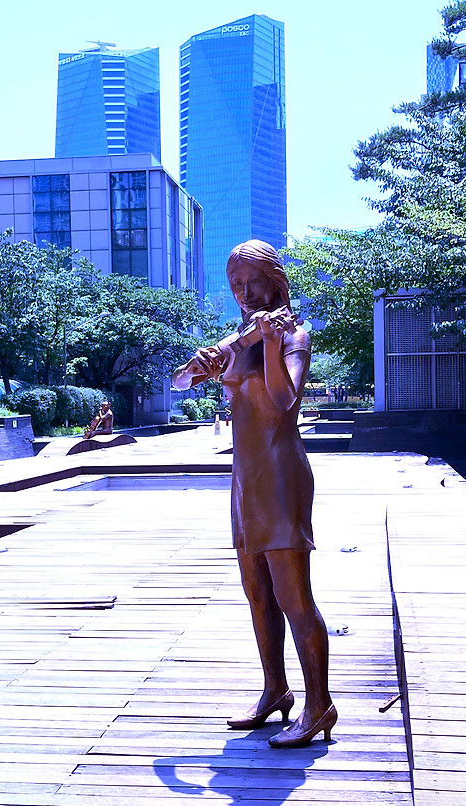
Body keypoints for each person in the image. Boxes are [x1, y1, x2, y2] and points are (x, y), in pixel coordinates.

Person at [171, 240, 335, 748]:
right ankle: (275, 690)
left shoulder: (293, 336)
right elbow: (178, 384)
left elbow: (285, 400)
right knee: (258, 594)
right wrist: (198, 364)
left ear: (275, 282)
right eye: (236, 284)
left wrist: (270, 341)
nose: (244, 293)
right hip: (244, 479)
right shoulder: (236, 340)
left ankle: (319, 705)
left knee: (294, 598)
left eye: (253, 282)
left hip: (281, 474)